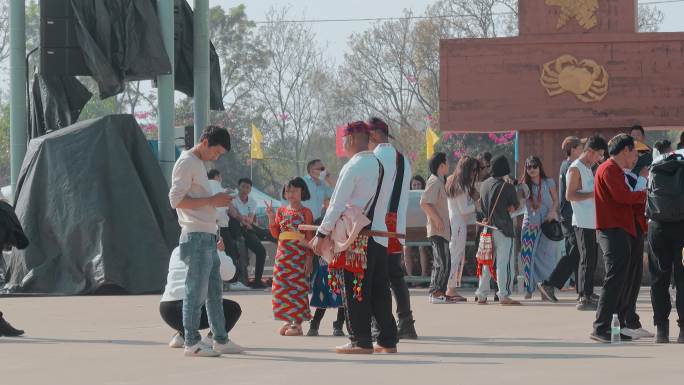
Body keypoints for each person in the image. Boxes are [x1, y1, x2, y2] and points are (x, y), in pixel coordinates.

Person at [311, 120, 397, 354]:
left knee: (355, 289)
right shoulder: (380, 166)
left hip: (356, 239)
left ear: (349, 140)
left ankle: (360, 340)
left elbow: (336, 205)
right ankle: (387, 340)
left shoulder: (353, 167)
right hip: (378, 236)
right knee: (380, 290)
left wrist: (321, 233)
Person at [168, 125, 236, 357]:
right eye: (216, 152)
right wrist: (212, 201)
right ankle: (192, 341)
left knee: (215, 291)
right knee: (195, 291)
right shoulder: (187, 162)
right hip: (195, 234)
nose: (216, 158)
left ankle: (220, 338)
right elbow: (175, 200)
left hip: (206, 233)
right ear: (205, 142)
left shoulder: (196, 163)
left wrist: (214, 202)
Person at [591, 134, 651, 343]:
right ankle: (600, 327)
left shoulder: (613, 169)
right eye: (634, 151)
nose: (635, 156)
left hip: (619, 229)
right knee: (614, 278)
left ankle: (618, 326)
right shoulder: (609, 169)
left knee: (621, 279)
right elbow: (623, 196)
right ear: (625, 150)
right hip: (611, 229)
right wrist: (646, 195)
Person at [368, 117, 417, 340]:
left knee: (375, 276)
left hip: (377, 223)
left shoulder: (373, 157)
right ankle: (406, 322)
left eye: (367, 137)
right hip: (396, 223)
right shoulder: (403, 159)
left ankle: (378, 324)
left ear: (376, 135)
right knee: (395, 275)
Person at [160, 245, 243, 352]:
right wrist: (220, 251)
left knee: (191, 296)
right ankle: (213, 339)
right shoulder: (210, 248)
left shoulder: (177, 249)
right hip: (191, 309)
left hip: (166, 309)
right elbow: (230, 274)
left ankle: (182, 335)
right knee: (232, 309)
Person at [266, 177, 314, 337]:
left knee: (298, 288)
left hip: (299, 255)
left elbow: (309, 236)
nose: (291, 194)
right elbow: (276, 234)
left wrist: (309, 258)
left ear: (302, 192)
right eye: (288, 190)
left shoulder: (306, 212)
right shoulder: (281, 211)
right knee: (281, 288)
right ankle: (287, 320)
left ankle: (297, 324)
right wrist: (271, 219)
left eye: (295, 190)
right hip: (282, 256)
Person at [538, 137, 583, 303]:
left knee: (577, 254)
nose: (582, 151)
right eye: (580, 148)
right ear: (573, 149)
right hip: (570, 216)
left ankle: (583, 291)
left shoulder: (567, 165)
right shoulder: (572, 166)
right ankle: (549, 284)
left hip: (568, 215)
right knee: (575, 253)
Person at [566, 136, 608, 310]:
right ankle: (583, 296)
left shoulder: (590, 167)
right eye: (599, 154)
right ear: (589, 152)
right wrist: (592, 195)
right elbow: (569, 196)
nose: (600, 158)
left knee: (592, 258)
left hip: (593, 221)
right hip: (582, 221)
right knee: (586, 259)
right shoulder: (575, 169)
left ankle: (589, 292)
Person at [648, 147, 684, 343]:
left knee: (658, 278)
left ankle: (661, 330)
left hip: (658, 227)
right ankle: (683, 331)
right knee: (683, 278)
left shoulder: (658, 160)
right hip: (682, 229)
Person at [475, 155, 520, 305]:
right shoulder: (507, 186)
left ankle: (481, 294)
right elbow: (514, 206)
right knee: (504, 263)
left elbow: (481, 206)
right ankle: (504, 294)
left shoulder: (484, 185)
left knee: (486, 262)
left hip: (487, 228)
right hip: (503, 229)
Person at [519, 156, 560, 299]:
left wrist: (552, 211)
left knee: (546, 257)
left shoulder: (549, 182)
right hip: (530, 224)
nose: (532, 170)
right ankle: (529, 288)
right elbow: (520, 203)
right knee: (527, 256)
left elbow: (556, 200)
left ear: (539, 167)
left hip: (547, 224)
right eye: (529, 167)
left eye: (534, 166)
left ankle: (546, 288)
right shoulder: (524, 185)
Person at [421, 152, 456, 304]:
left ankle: (439, 291)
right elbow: (424, 203)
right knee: (442, 262)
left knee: (444, 261)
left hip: (443, 230)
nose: (448, 165)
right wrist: (437, 219)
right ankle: (435, 292)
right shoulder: (434, 182)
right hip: (437, 229)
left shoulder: (441, 182)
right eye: (446, 162)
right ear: (441, 165)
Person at [207, 170, 250, 291]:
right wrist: (243, 219)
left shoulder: (203, 188)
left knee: (210, 256)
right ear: (218, 176)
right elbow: (232, 211)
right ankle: (232, 281)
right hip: (219, 227)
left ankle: (219, 282)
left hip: (203, 228)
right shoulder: (221, 190)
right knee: (228, 253)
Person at [445, 156, 480, 302]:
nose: (474, 174)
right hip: (459, 223)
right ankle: (451, 289)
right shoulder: (461, 184)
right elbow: (464, 209)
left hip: (455, 222)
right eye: (473, 170)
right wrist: (477, 205)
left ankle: (450, 288)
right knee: (456, 256)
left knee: (455, 255)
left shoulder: (452, 180)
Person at [233, 178, 267, 289]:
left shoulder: (253, 202)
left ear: (250, 189)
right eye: (243, 186)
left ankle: (257, 281)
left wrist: (243, 219)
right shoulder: (233, 199)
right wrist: (243, 219)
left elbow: (250, 219)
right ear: (239, 186)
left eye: (247, 187)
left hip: (247, 229)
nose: (245, 189)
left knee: (261, 251)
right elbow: (234, 214)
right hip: (234, 228)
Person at [404, 175, 431, 279]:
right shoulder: (407, 198)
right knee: (406, 248)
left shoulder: (426, 196)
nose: (416, 187)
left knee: (421, 247)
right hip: (409, 230)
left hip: (423, 230)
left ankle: (423, 275)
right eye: (414, 185)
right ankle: (410, 276)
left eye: (418, 184)